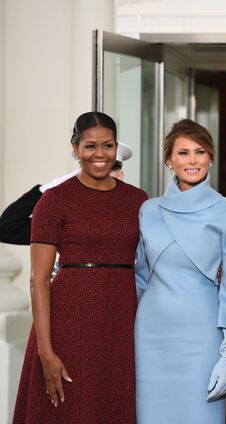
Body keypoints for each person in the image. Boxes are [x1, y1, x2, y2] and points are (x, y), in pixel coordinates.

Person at [12, 112, 147, 423]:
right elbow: (39, 280)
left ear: (116, 148)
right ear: (75, 149)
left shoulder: (137, 199)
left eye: (108, 145)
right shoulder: (54, 200)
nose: (100, 155)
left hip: (120, 322)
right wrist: (46, 353)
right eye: (90, 146)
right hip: (68, 323)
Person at [134, 119, 226, 423]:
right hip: (150, 337)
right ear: (169, 159)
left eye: (200, 152)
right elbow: (139, 278)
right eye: (183, 153)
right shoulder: (148, 209)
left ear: (210, 157)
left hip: (203, 337)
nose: (192, 160)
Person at [0, 143, 133, 246]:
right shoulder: (69, 218)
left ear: (120, 176)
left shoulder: (135, 210)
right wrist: (47, 189)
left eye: (108, 169)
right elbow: (6, 230)